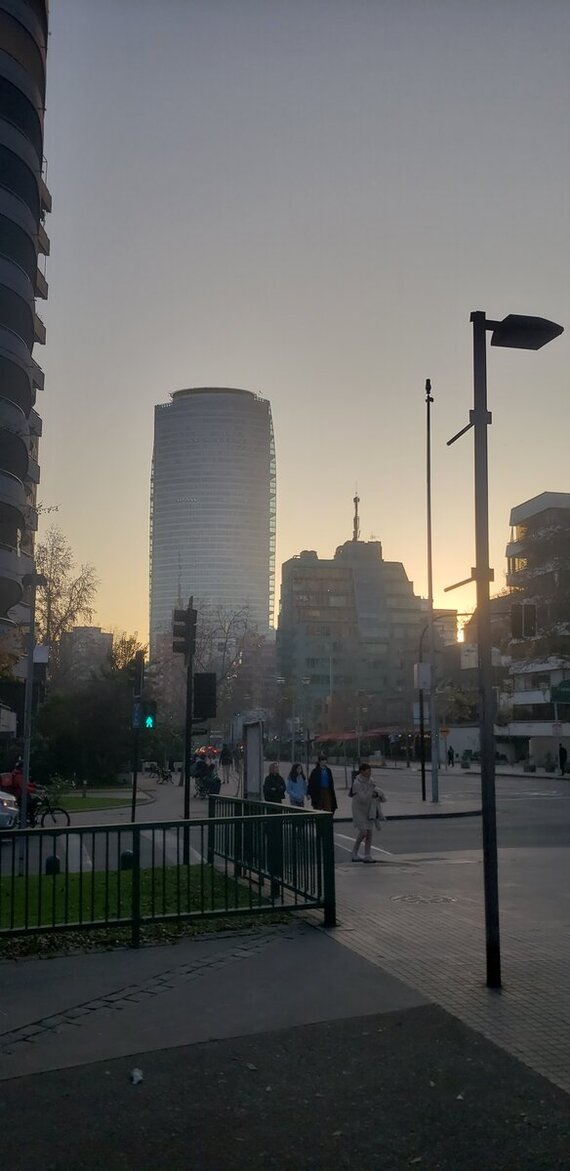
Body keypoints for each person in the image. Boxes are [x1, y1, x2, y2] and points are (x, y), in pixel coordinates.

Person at [351, 762, 386, 863]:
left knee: (369, 833)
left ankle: (367, 855)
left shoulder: (371, 780)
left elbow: (374, 791)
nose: (370, 772)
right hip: (359, 809)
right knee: (363, 832)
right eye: (367, 770)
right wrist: (371, 790)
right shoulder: (357, 783)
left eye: (370, 770)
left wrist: (377, 794)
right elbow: (363, 799)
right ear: (362, 772)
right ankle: (354, 852)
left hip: (369, 810)